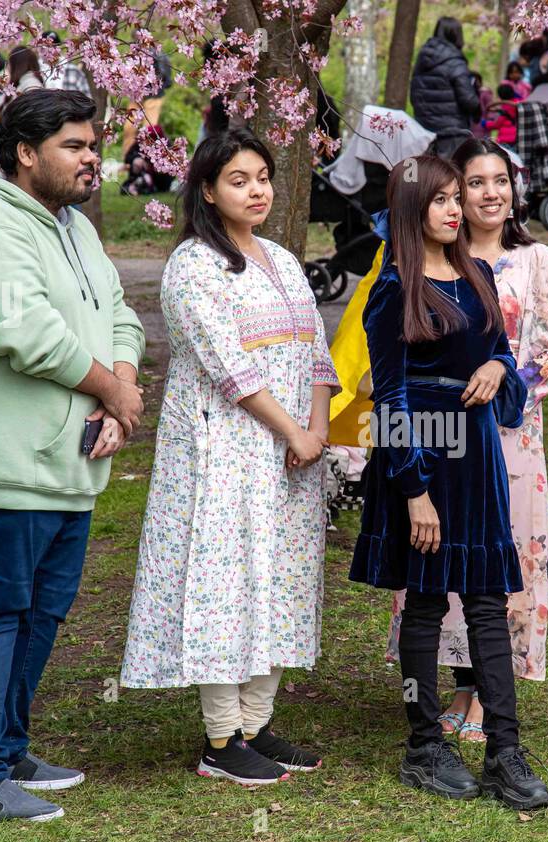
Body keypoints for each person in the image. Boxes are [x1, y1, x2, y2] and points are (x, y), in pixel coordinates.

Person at [0, 89, 146, 822]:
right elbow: (18, 329)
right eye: (76, 147)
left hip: (66, 463)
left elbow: (120, 314)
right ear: (26, 152)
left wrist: (122, 388)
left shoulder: (74, 225)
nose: (93, 159)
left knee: (42, 611)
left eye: (94, 146)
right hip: (0, 466)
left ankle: (7, 746)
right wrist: (112, 389)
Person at [121, 128, 339, 786]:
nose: (256, 190)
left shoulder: (281, 258)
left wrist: (317, 429)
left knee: (280, 581)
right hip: (225, 451)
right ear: (209, 192)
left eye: (263, 177)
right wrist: (291, 431)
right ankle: (220, 739)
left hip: (293, 456)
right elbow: (228, 367)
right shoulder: (192, 267)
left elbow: (317, 354)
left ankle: (256, 723)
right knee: (223, 586)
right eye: (238, 180)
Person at [350, 152, 548, 810]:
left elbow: (499, 363)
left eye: (453, 197)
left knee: (489, 604)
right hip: (423, 463)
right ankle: (423, 748)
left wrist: (501, 370)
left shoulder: (479, 273)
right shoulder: (395, 285)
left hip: (478, 461)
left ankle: (505, 751)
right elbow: (389, 397)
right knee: (428, 603)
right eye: (437, 199)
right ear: (412, 208)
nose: (452, 208)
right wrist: (414, 492)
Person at [385, 140, 548, 741]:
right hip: (438, 438)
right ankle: (455, 687)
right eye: (475, 183)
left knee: (499, 563)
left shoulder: (535, 260)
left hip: (509, 435)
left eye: (502, 180)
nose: (491, 193)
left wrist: (500, 388)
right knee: (437, 558)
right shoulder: (421, 265)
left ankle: (487, 695)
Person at [410, 17, 481, 133]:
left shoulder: (422, 59)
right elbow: (469, 101)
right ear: (457, 35)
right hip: (453, 134)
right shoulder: (455, 62)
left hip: (423, 131)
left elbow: (414, 95)